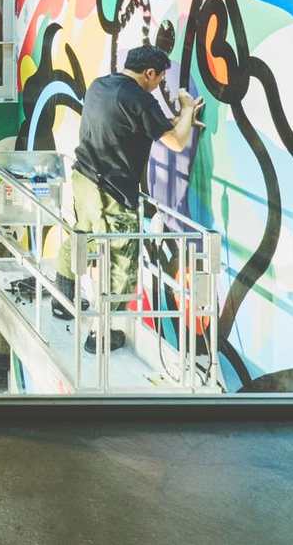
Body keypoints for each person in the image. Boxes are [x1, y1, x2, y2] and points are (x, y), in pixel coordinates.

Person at [67, 45, 200, 353]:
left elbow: (142, 123)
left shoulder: (101, 85)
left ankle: (65, 295)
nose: (160, 85)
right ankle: (98, 335)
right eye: (160, 78)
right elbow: (176, 142)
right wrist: (187, 109)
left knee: (85, 242)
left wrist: (179, 119)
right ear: (149, 73)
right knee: (120, 266)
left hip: (84, 181)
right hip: (111, 193)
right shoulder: (140, 99)